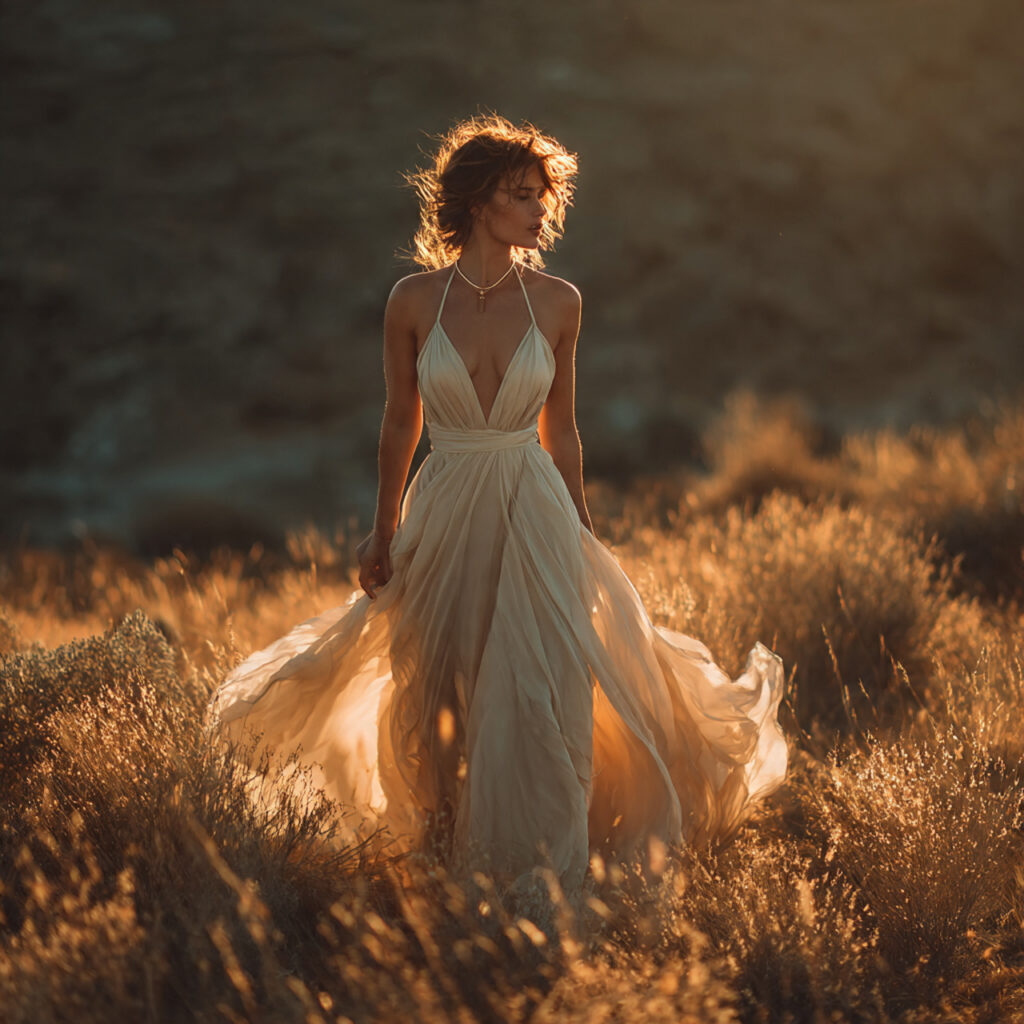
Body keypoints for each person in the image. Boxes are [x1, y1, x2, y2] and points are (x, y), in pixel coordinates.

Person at [208, 114, 787, 895]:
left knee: (542, 688)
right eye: (522, 195)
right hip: (445, 507)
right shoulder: (413, 301)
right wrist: (382, 530)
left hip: (533, 508)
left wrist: (582, 535)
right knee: (438, 686)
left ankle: (543, 876)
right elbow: (400, 422)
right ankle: (454, 867)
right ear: (479, 202)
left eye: (544, 196)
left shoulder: (559, 301)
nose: (541, 211)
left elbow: (564, 432)